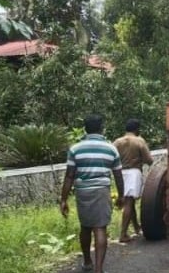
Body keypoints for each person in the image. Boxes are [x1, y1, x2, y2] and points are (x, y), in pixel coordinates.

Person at [60, 114, 124, 273]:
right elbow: (118, 174)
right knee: (100, 228)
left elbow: (69, 175)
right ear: (101, 129)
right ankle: (99, 269)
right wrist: (121, 196)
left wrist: (63, 199)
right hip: (102, 190)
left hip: (83, 192)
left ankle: (88, 262)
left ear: (85, 129)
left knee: (85, 227)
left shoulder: (75, 149)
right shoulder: (111, 149)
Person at [113, 118, 153, 243]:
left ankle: (136, 227)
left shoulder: (117, 142)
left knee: (129, 202)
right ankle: (123, 234)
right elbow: (149, 160)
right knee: (129, 203)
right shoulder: (139, 141)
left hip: (120, 173)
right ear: (137, 129)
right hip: (133, 172)